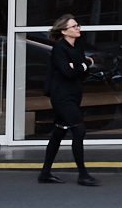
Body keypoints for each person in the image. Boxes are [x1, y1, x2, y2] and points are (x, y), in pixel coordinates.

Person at [39, 14, 99, 186]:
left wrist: (79, 66)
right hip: (61, 96)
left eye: (77, 25)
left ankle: (45, 173)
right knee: (79, 130)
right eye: (74, 26)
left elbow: (82, 70)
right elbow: (67, 72)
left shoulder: (77, 45)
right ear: (64, 31)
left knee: (59, 131)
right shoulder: (59, 48)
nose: (78, 28)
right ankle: (83, 175)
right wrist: (83, 65)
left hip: (74, 94)